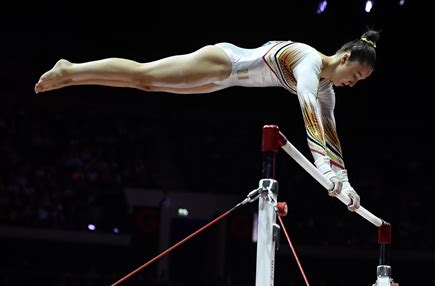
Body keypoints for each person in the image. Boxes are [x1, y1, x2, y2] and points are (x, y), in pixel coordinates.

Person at [35, 29, 381, 211]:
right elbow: (308, 113)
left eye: (361, 81)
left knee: (148, 85)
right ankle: (71, 69)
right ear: (345, 56)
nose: (354, 82)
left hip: (226, 79)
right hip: (224, 62)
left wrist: (344, 182)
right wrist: (324, 171)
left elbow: (330, 133)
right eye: (356, 73)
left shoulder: (327, 88)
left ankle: (73, 73)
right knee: (145, 75)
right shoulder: (308, 61)